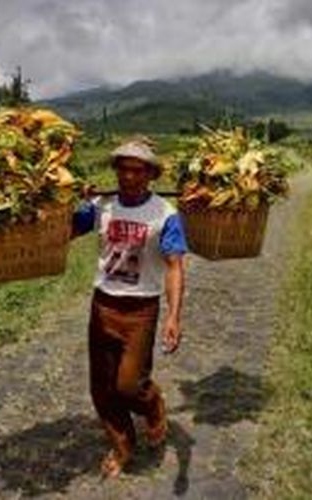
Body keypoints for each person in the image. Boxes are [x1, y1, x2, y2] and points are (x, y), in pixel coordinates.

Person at [71, 137, 187, 478]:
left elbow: (175, 266)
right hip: (103, 304)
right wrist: (65, 199)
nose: (129, 177)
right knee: (102, 388)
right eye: (123, 169)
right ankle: (122, 445)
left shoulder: (165, 215)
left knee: (129, 385)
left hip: (140, 311)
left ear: (151, 175)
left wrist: (174, 316)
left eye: (138, 170)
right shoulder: (101, 206)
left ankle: (153, 404)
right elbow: (62, 230)